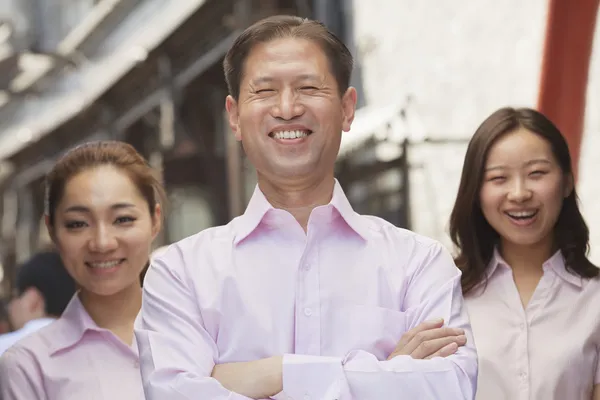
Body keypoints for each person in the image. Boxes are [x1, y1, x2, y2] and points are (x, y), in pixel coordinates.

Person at [136, 15, 477, 400]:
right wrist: (381, 372)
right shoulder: (180, 275)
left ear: (348, 108)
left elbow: (450, 388)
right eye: (264, 91)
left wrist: (265, 377)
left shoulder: (419, 263)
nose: (287, 108)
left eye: (309, 87)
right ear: (233, 116)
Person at [449, 107, 600, 400]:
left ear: (568, 181)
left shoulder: (595, 298)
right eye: (498, 178)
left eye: (537, 173)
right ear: (476, 191)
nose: (519, 193)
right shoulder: (445, 293)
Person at [0, 141, 164, 399]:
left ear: (155, 220)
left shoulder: (202, 331)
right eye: (78, 224)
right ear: (52, 230)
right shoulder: (29, 365)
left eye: (123, 219)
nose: (102, 242)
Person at [0, 251, 75, 355]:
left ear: (33, 300)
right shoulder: (93, 349)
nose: (11, 306)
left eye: (16, 296)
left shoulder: (6, 348)